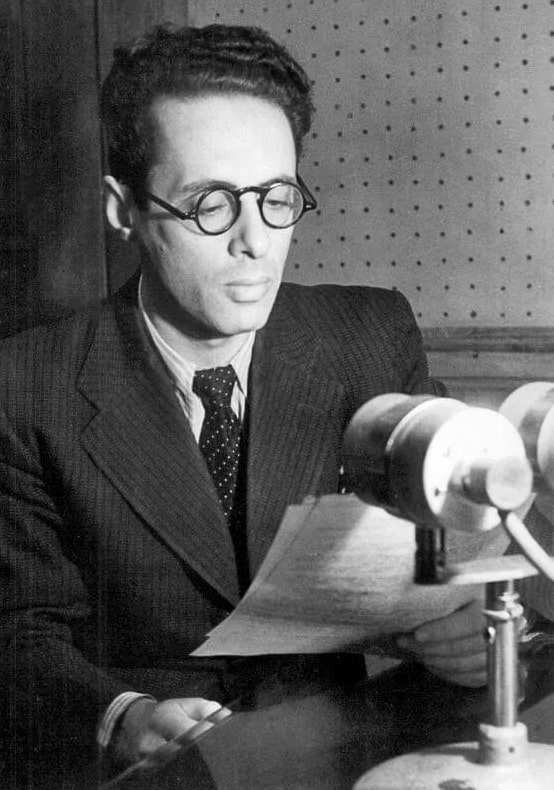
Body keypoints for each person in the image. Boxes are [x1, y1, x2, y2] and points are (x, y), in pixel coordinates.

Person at [0, 23, 494, 784]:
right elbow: (19, 631)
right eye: (210, 204)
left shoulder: (370, 333)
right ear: (123, 209)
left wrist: (471, 619)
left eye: (276, 197)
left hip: (346, 745)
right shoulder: (26, 385)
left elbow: (453, 541)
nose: (255, 242)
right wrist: (122, 716)